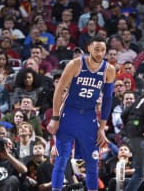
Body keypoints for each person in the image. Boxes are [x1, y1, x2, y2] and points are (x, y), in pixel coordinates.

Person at [47, 35, 116, 191]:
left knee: (92, 162)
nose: (100, 53)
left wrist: (102, 127)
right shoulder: (76, 64)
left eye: (103, 50)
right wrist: (55, 117)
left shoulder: (109, 69)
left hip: (89, 117)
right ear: (89, 48)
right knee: (61, 159)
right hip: (69, 115)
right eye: (96, 49)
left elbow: (108, 98)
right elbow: (58, 91)